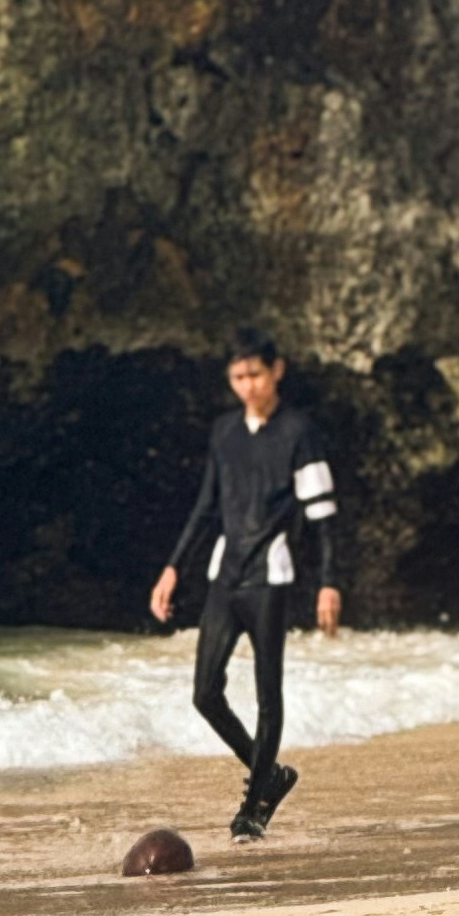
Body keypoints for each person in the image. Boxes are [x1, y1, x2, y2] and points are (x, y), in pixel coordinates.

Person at [149, 330, 341, 840]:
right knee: (205, 693)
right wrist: (173, 567)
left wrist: (328, 583)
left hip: (270, 580)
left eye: (255, 374)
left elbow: (322, 517)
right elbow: (206, 507)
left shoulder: (300, 432)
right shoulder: (224, 432)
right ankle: (271, 774)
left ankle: (254, 806)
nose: (247, 385)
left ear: (276, 371)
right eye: (238, 377)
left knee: (267, 694)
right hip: (225, 576)